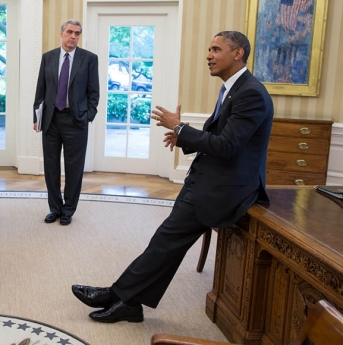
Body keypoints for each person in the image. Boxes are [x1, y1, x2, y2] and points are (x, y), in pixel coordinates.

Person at [71, 31, 274, 323]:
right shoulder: (233, 88)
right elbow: (221, 137)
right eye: (209, 48)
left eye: (216, 49)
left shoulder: (251, 93)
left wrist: (180, 129)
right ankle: (127, 301)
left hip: (224, 190)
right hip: (206, 180)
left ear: (238, 53)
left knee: (166, 242)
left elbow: (228, 147)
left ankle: (117, 295)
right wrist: (185, 138)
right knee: (165, 244)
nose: (209, 55)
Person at [32, 19, 99, 226]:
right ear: (61, 33)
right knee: (50, 167)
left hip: (76, 121)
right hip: (51, 120)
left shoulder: (88, 59)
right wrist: (37, 116)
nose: (73, 37)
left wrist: (88, 115)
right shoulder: (48, 58)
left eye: (77, 33)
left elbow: (94, 92)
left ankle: (68, 210)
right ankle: (55, 208)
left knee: (74, 168)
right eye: (70, 32)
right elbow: (40, 89)